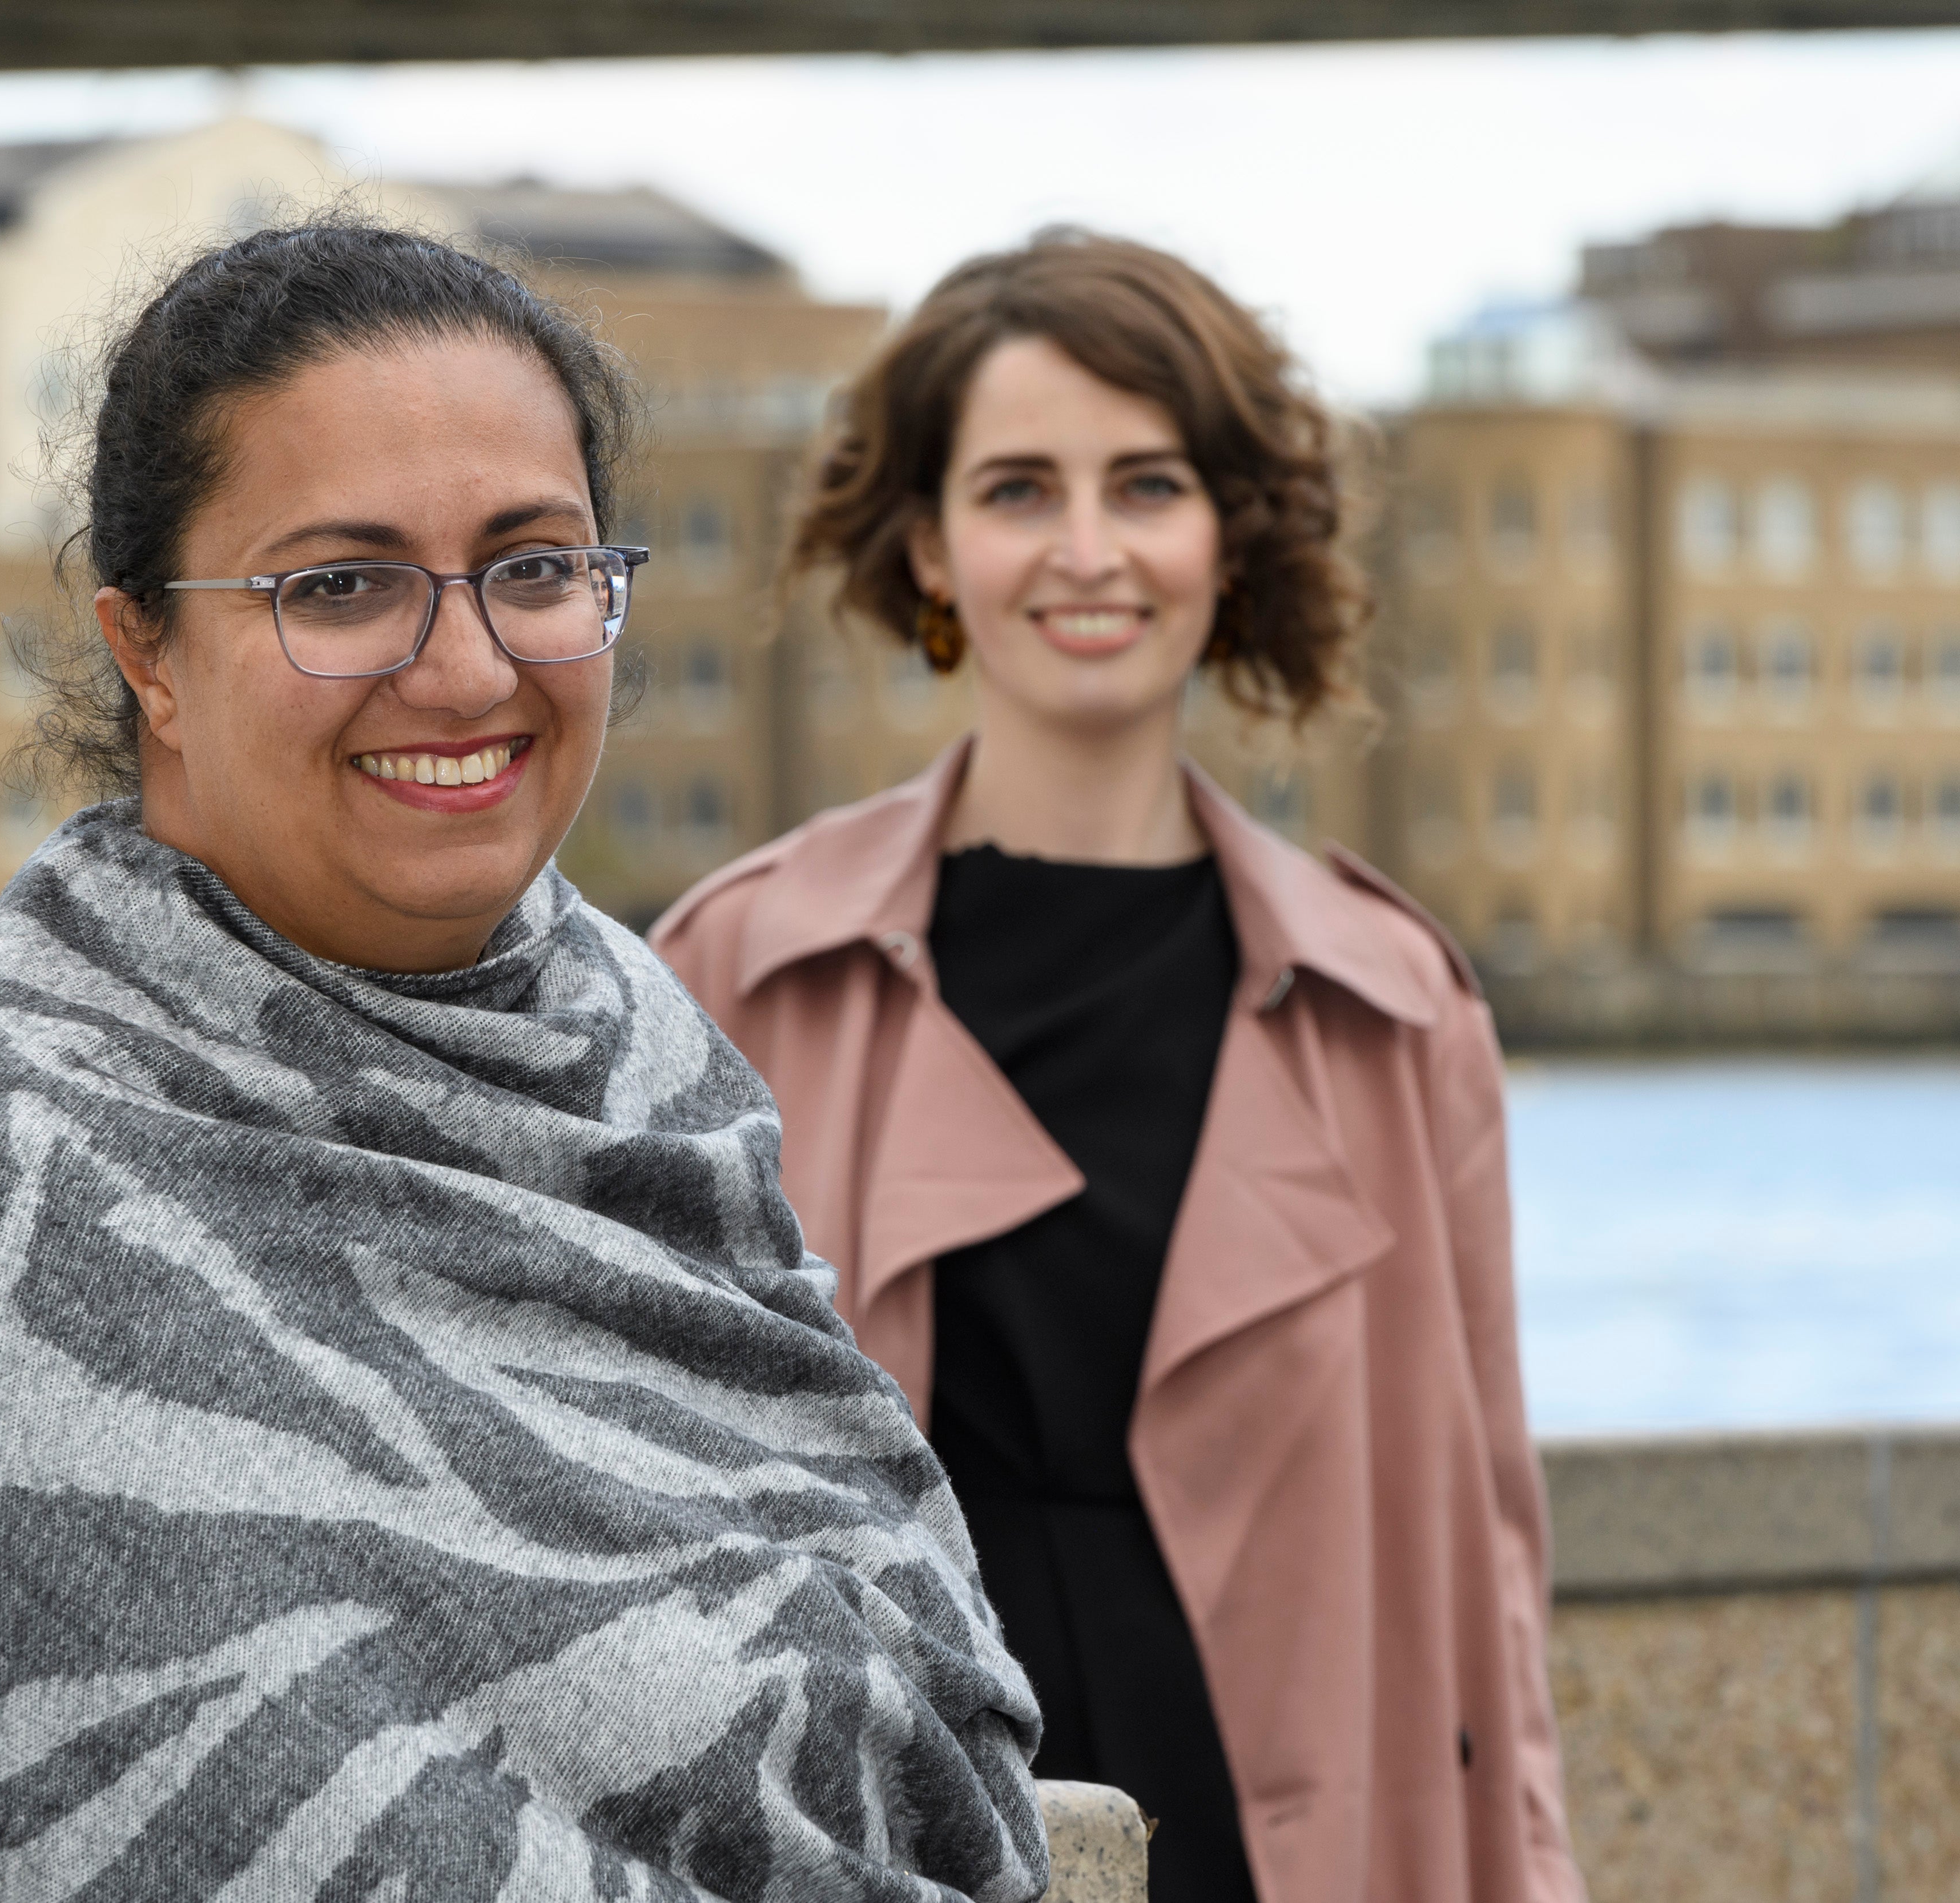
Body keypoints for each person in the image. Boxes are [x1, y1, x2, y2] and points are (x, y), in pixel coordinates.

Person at [0, 221, 1048, 1903]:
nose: (468, 666)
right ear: (147, 654)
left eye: (534, 567)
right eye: (342, 586)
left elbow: (936, 1707)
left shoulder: (650, 1075)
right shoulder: (8, 1221)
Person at [651, 232, 1584, 1903]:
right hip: (891, 1850)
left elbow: (1484, 1566)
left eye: (1146, 485)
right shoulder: (733, 975)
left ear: (1230, 534)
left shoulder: (1399, 1010)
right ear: (929, 545)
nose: (1087, 551)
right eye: (1019, 491)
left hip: (1288, 1849)